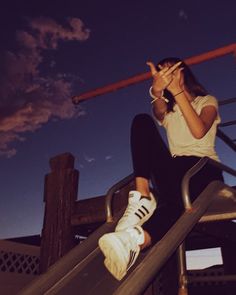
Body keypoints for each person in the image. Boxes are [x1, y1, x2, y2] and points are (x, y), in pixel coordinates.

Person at [98, 57, 224, 281]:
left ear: (183, 71)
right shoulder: (170, 110)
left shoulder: (207, 101)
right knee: (141, 121)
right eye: (162, 72)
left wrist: (177, 91)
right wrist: (157, 92)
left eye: (171, 70)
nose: (167, 74)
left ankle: (134, 239)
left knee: (174, 203)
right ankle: (142, 199)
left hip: (204, 168)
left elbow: (199, 131)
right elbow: (158, 112)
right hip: (175, 171)